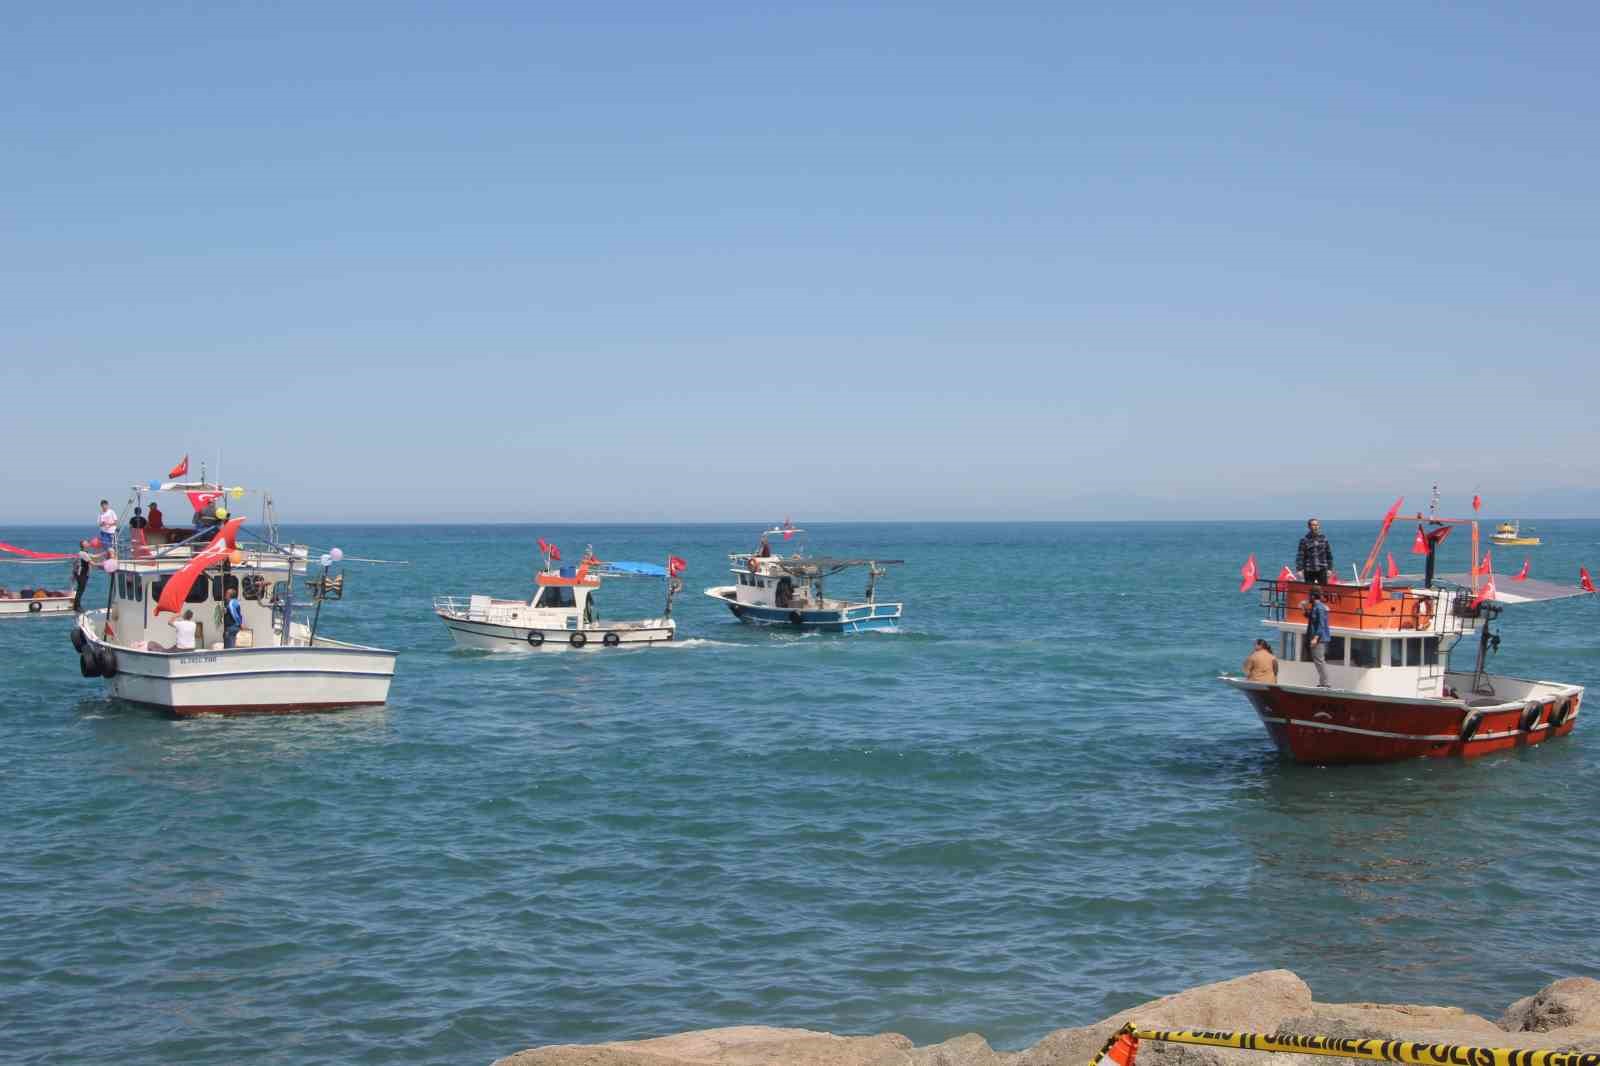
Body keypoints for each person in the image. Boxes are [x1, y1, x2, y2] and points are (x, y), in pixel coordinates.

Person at [1306, 588, 1332, 688]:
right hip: (1316, 637)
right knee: (1318, 660)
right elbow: (1313, 619)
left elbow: (1321, 624)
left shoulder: (1319, 608)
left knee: (1319, 660)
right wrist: (1305, 610)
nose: (1308, 597)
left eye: (1309, 595)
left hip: (1319, 639)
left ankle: (1325, 683)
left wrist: (1315, 638)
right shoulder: (1315, 607)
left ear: (1313, 596)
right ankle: (1323, 682)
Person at [1296, 518, 1333, 585]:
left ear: (1319, 526)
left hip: (1322, 569)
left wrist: (1330, 569)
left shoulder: (1324, 539)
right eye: (1313, 525)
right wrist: (1299, 569)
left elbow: (1329, 555)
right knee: (1310, 591)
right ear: (1309, 527)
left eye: (1317, 525)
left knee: (1323, 591)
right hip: (1309, 569)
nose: (1315, 527)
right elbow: (1300, 556)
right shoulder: (1304, 540)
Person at [71, 540, 93, 612]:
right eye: (87, 543)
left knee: (80, 590)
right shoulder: (83, 554)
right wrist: (103, 564)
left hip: (82, 574)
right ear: (84, 546)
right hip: (81, 574)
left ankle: (77, 605)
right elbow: (92, 563)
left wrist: (104, 553)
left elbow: (94, 556)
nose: (89, 544)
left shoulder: (84, 553)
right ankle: (77, 606)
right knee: (80, 590)